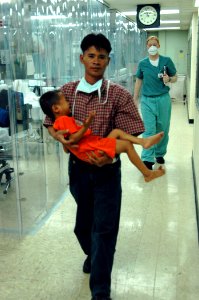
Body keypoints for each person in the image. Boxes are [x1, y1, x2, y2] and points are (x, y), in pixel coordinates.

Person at [43, 33, 145, 300]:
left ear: (108, 61)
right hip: (78, 171)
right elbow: (48, 123)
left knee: (104, 229)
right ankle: (93, 253)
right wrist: (60, 137)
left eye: (101, 57)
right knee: (83, 226)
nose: (96, 61)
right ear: (82, 58)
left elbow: (131, 128)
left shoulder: (118, 95)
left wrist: (110, 156)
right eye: (91, 55)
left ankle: (100, 291)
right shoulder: (65, 93)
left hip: (107, 172)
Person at [40, 90, 165, 182]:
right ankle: (147, 173)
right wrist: (86, 125)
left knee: (116, 132)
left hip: (92, 147)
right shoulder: (64, 120)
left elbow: (67, 148)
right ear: (56, 108)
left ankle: (143, 142)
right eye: (66, 102)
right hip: (93, 150)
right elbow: (73, 139)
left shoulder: (58, 125)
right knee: (127, 145)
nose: (69, 103)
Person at [133, 35, 177, 170]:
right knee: (149, 130)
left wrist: (168, 79)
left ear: (158, 46)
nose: (152, 47)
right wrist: (135, 97)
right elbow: (139, 80)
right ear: (147, 47)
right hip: (147, 100)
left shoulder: (166, 61)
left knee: (163, 129)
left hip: (163, 98)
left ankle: (159, 153)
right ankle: (147, 158)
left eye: (154, 44)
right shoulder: (143, 63)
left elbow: (175, 77)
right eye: (149, 44)